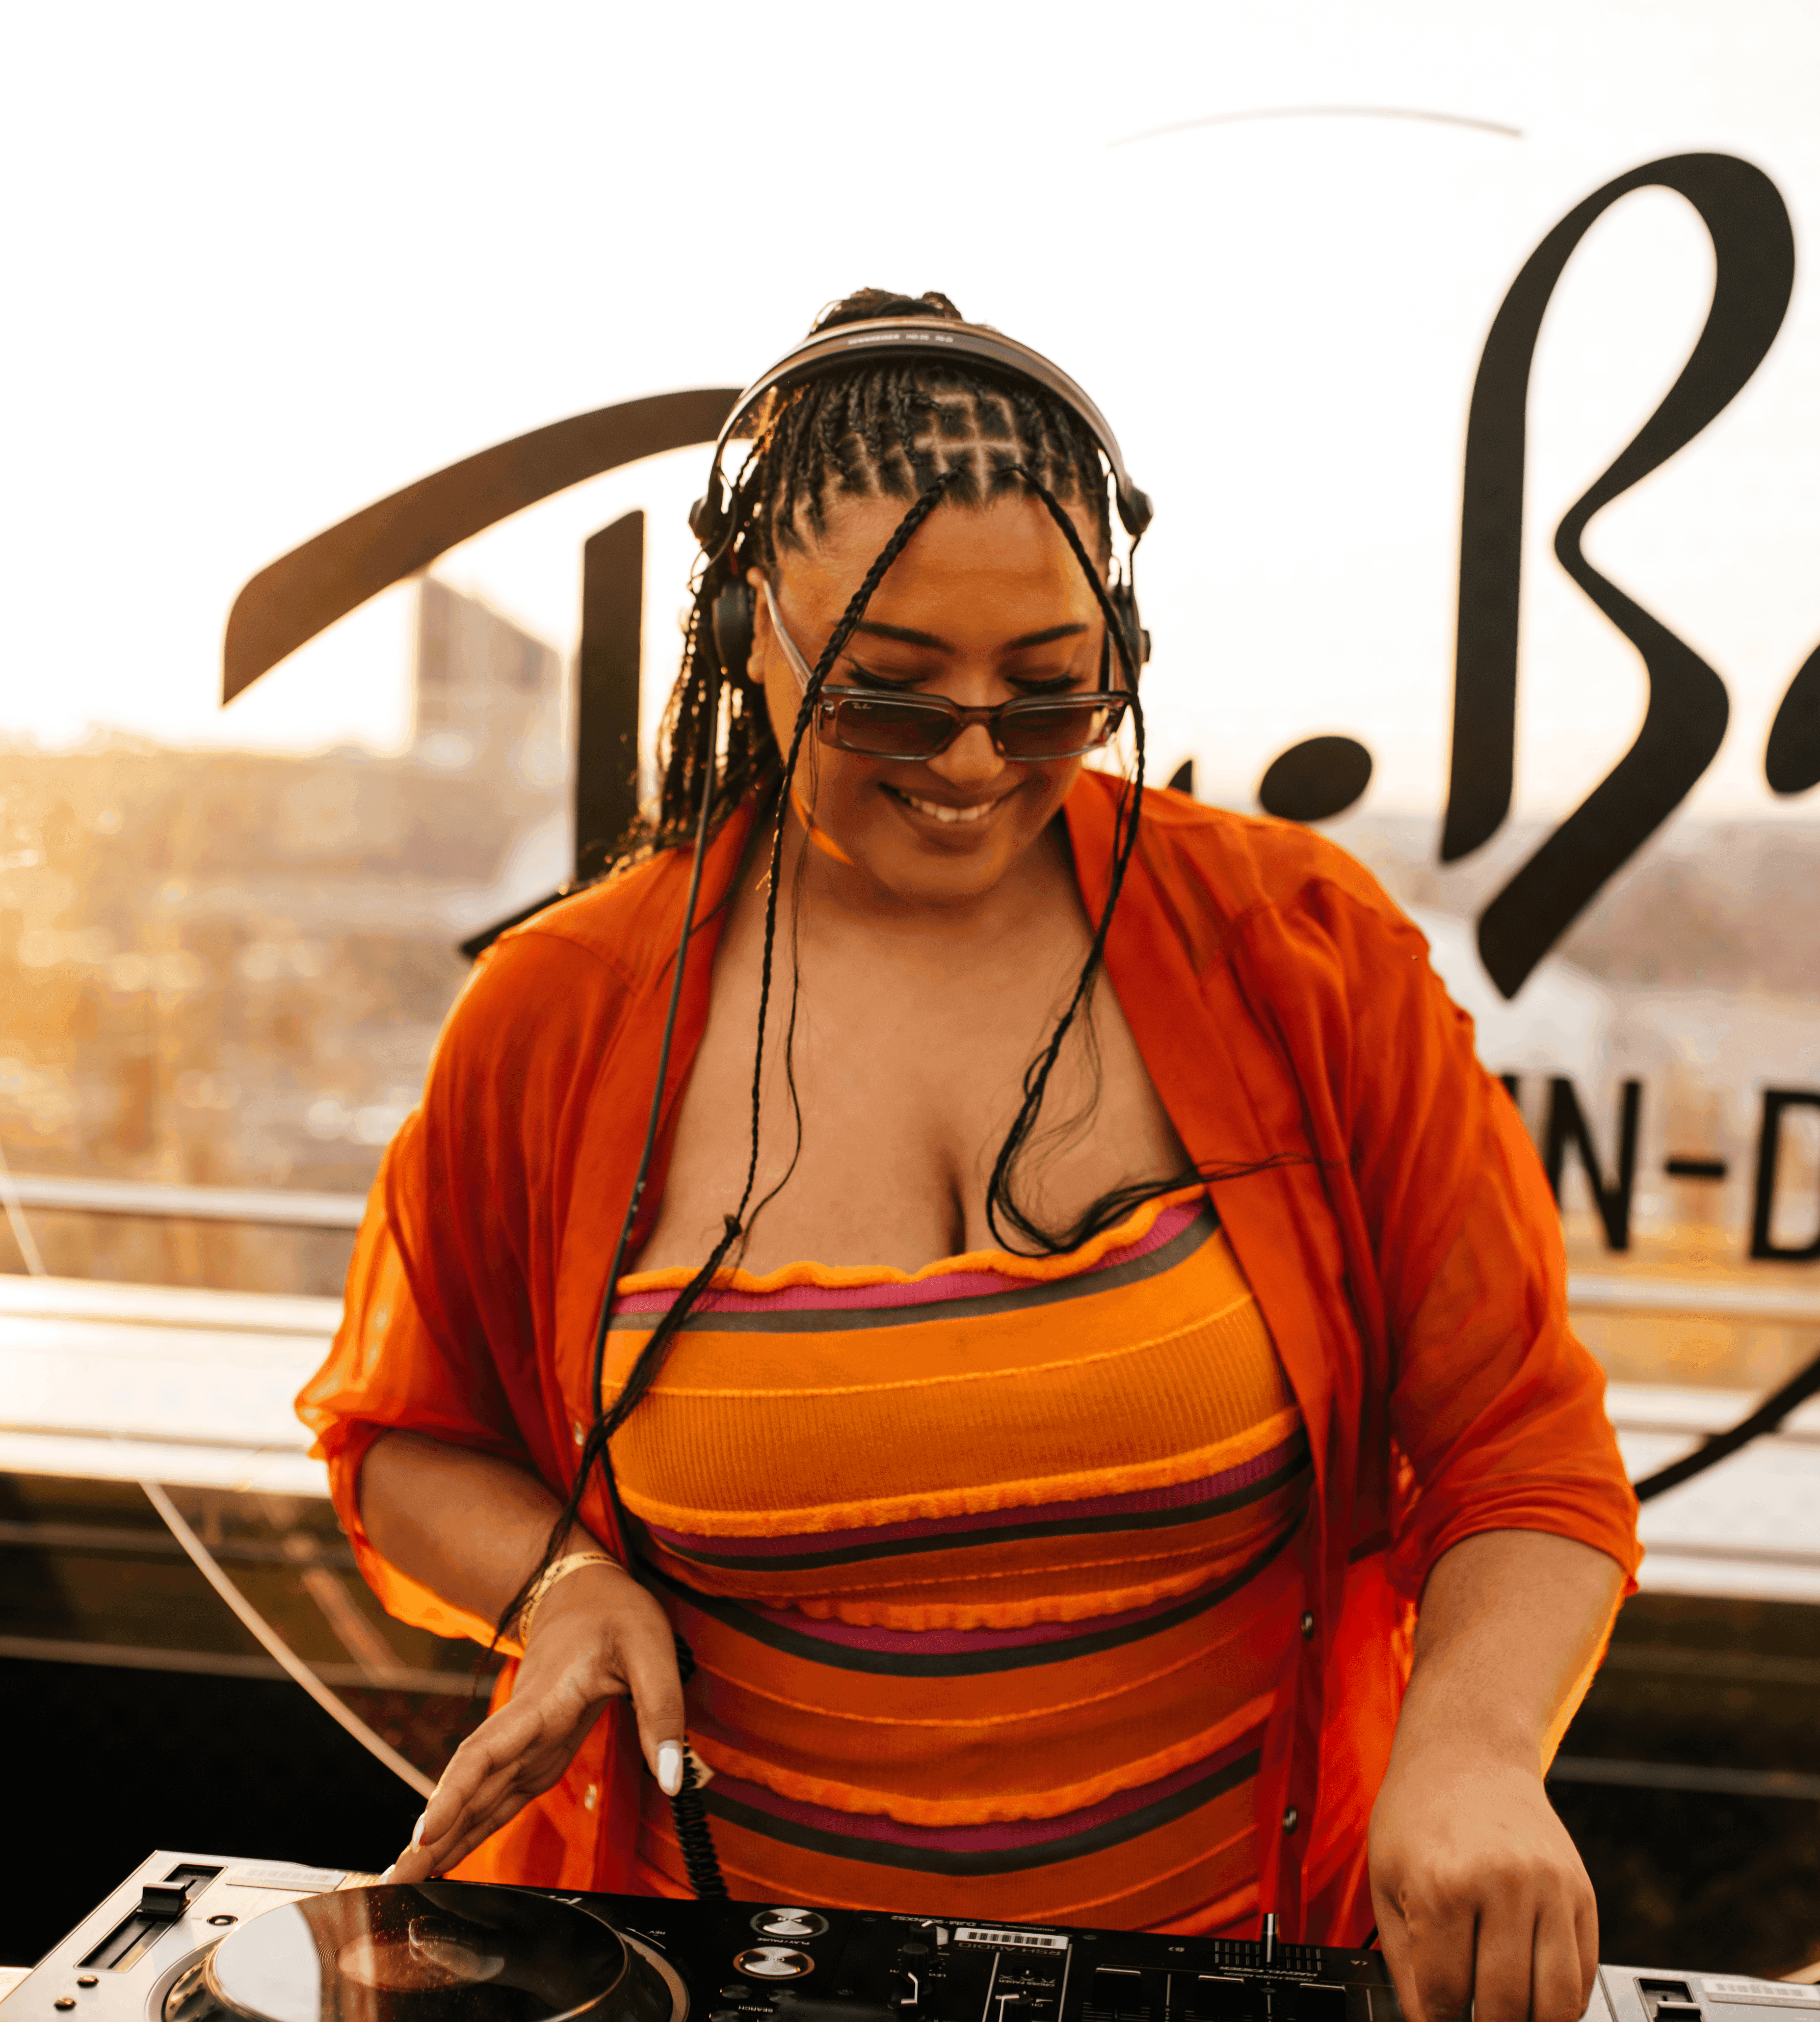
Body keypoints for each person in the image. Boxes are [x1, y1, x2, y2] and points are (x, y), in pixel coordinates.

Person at [297, 288, 1639, 2022]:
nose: (981, 763)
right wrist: (564, 1584)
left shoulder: (1303, 949)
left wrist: (1471, 1759)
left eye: (1052, 691)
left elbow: (1524, 1453)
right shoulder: (560, 1012)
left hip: (1249, 1965)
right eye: (891, 699)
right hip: (702, 1979)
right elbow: (407, 1435)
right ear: (745, 636)